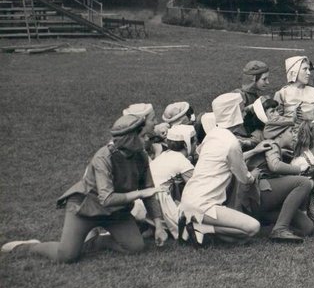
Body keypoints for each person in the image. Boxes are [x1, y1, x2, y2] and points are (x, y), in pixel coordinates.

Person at [2, 114, 169, 262]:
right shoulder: (103, 157)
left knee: (136, 247)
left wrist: (159, 226)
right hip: (86, 207)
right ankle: (29, 247)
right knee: (66, 256)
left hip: (116, 211)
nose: (147, 140)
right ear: (128, 139)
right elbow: (107, 198)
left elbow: (149, 192)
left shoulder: (141, 156)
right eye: (142, 136)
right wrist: (140, 193)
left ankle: (96, 241)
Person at [179, 93, 262, 244]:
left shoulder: (213, 135)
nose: (244, 113)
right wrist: (253, 175)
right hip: (204, 204)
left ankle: (195, 226)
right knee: (253, 228)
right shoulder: (231, 142)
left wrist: (253, 151)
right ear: (233, 113)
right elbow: (244, 178)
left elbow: (223, 160)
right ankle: (203, 229)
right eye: (241, 110)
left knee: (241, 237)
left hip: (189, 197)